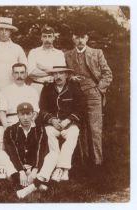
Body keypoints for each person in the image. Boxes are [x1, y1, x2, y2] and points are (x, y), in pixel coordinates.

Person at [16, 66, 84, 199]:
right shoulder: (47, 89)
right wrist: (52, 120)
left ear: (67, 75)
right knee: (49, 134)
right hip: (52, 124)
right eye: (55, 74)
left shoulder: (75, 89)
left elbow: (81, 109)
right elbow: (43, 109)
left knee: (73, 134)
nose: (58, 76)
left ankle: (61, 168)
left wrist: (68, 121)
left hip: (68, 124)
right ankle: (61, 170)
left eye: (61, 73)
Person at [65, 24, 112, 166]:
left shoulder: (97, 53)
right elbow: (63, 74)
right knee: (80, 127)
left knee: (95, 128)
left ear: (87, 38)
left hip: (93, 94)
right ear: (73, 38)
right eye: (77, 37)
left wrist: (98, 89)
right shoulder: (67, 55)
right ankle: (84, 161)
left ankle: (98, 162)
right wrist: (70, 78)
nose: (80, 40)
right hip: (76, 96)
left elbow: (108, 74)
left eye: (83, 37)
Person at [0, 102, 48, 196]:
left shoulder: (40, 129)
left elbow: (41, 150)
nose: (25, 117)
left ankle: (26, 186)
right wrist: (21, 171)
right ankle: (36, 184)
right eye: (22, 114)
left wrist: (34, 171)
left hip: (34, 167)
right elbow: (12, 152)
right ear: (18, 115)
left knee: (53, 155)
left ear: (33, 115)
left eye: (28, 114)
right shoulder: (10, 130)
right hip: (17, 169)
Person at [0, 17, 27, 96]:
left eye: (7, 30)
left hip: (14, 89)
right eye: (1, 29)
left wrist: (17, 81)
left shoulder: (17, 49)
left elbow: (26, 68)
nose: (4, 32)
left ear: (10, 32)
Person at [0, 63, 39, 129]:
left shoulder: (32, 91)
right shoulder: (5, 91)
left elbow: (35, 111)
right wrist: (6, 127)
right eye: (16, 73)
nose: (19, 76)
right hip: (11, 121)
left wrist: (30, 123)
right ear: (12, 74)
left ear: (26, 74)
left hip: (28, 122)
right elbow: (2, 112)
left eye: (22, 73)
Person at [27, 26, 66, 95]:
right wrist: (53, 70)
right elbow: (31, 73)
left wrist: (41, 68)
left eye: (50, 36)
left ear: (54, 38)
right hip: (37, 86)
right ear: (41, 38)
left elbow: (60, 73)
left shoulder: (59, 53)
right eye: (44, 36)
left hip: (54, 87)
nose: (47, 39)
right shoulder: (34, 52)